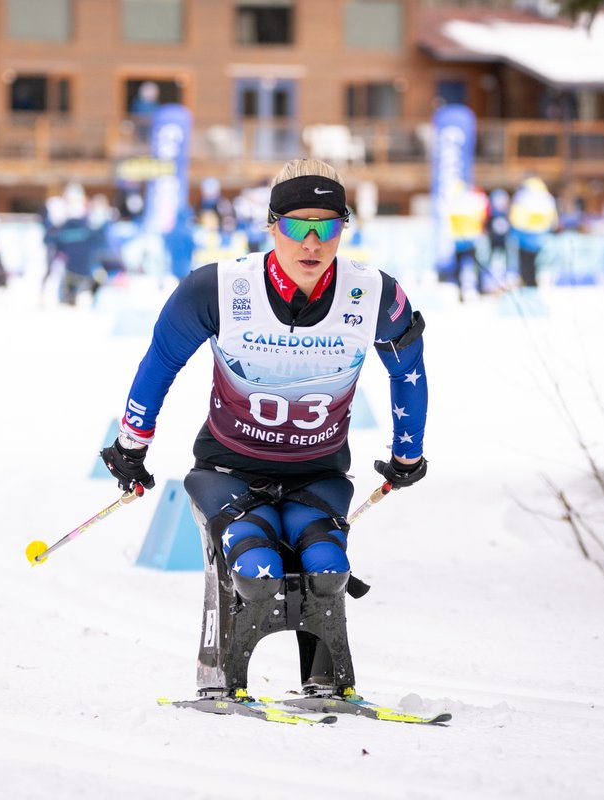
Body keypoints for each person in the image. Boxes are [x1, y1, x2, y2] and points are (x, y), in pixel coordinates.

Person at [100, 158, 428, 704]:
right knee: (258, 568)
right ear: (272, 225)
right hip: (229, 468)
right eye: (298, 225)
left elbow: (409, 373)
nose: (313, 242)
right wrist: (131, 448)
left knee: (327, 567)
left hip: (317, 472)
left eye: (329, 226)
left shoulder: (373, 294)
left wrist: (408, 455)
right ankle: (220, 679)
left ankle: (326, 680)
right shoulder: (220, 288)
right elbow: (159, 364)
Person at [509, 176, 558, 289]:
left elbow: (515, 220)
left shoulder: (521, 197)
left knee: (526, 265)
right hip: (543, 237)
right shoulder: (547, 198)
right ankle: (543, 285)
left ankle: (529, 286)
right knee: (543, 265)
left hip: (525, 238)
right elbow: (554, 221)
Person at [444, 179, 489, 301]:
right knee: (475, 266)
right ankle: (479, 290)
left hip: (460, 240)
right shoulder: (472, 201)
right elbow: (482, 211)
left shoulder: (452, 203)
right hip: (471, 240)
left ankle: (462, 292)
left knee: (460, 268)